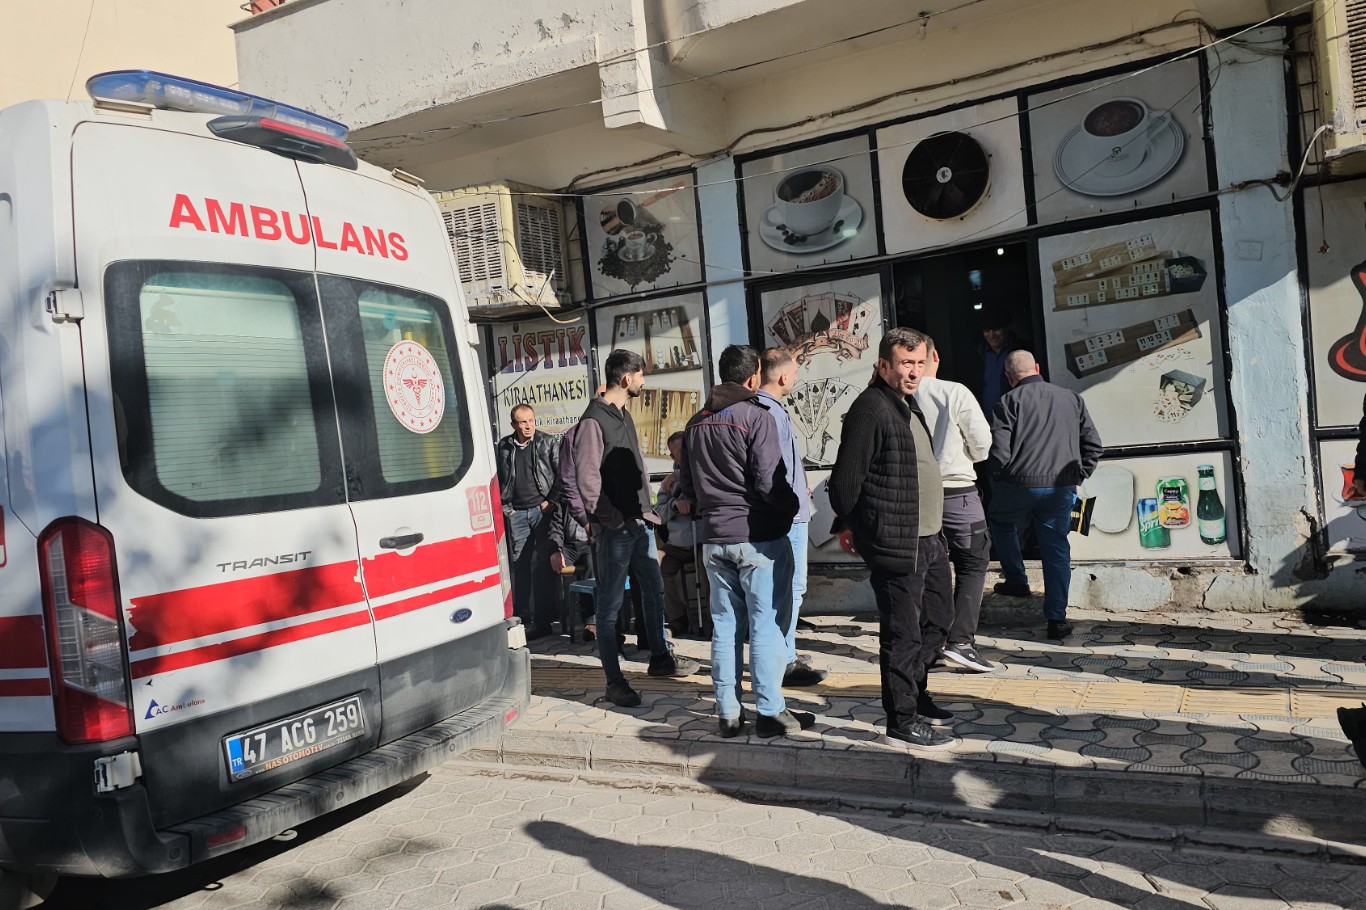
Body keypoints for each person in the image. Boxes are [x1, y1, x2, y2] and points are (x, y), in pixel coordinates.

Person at [830, 328, 957, 751]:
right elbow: (844, 486)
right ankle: (901, 719)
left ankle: (916, 695)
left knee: (938, 622)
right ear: (884, 365)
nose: (914, 372)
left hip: (930, 537)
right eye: (905, 363)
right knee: (903, 634)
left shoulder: (907, 404)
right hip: (898, 542)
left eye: (920, 363)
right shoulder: (870, 409)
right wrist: (860, 527)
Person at [678, 345, 810, 738]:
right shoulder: (756, 416)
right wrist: (791, 508)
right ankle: (770, 712)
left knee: (725, 626)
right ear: (753, 377)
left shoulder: (695, 424)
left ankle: (728, 714)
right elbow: (770, 482)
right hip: (757, 538)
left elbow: (688, 488)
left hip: (714, 539)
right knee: (766, 624)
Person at [570, 350, 699, 707]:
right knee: (609, 607)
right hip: (616, 530)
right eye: (641, 375)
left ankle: (660, 657)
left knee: (654, 591)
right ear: (626, 378)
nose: (644, 381)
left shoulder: (623, 415)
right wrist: (612, 520)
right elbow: (587, 480)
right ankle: (614, 681)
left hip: (639, 522)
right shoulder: (593, 421)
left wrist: (646, 511)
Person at [986, 351, 1104, 640]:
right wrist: (1078, 476)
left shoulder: (1008, 401)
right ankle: (1057, 619)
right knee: (1056, 548)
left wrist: (998, 478)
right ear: (1037, 367)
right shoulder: (1072, 398)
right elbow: (1093, 445)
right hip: (1060, 486)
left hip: (1019, 485)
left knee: (1001, 522)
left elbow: (999, 451)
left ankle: (1017, 579)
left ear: (1008, 377)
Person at [914, 336, 995, 673]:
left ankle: (929, 648)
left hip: (917, 496)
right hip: (957, 493)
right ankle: (961, 642)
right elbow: (983, 444)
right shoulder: (954, 392)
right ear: (936, 356)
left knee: (927, 570)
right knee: (973, 562)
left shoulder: (894, 397)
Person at [756, 346, 827, 687]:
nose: (796, 379)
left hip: (786, 510)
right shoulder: (771, 411)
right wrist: (793, 499)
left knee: (784, 590)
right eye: (796, 374)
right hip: (790, 516)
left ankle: (786, 652)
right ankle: (785, 660)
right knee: (791, 589)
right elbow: (775, 469)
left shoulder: (760, 408)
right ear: (784, 376)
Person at [494, 404, 559, 638]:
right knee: (520, 565)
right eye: (522, 422)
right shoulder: (505, 446)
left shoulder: (548, 442)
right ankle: (522, 618)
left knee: (543, 565)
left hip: (542, 512)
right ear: (514, 424)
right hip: (517, 513)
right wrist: (508, 509)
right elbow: (499, 479)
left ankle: (544, 620)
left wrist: (551, 501)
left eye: (531, 420)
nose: (528, 426)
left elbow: (561, 475)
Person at [656, 431, 710, 638]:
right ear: (673, 456)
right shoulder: (668, 484)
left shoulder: (704, 472)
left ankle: (713, 619)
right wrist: (674, 506)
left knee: (708, 566)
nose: (686, 456)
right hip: (677, 544)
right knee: (656, 564)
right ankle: (677, 618)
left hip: (702, 540)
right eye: (680, 453)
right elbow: (658, 515)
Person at [969, 308, 1023, 415]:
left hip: (1014, 416)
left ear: (1006, 328)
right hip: (985, 417)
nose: (991, 335)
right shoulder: (977, 354)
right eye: (986, 331)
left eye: (996, 329)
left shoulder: (1020, 351)